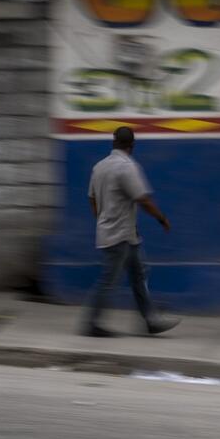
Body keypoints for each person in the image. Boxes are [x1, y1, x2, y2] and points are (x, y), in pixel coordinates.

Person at [80, 126, 179, 337]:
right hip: (120, 235)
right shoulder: (127, 167)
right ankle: (91, 324)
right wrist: (162, 218)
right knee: (109, 280)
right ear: (132, 146)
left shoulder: (99, 167)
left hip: (123, 234)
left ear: (114, 143)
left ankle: (151, 320)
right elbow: (142, 199)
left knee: (138, 274)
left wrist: (102, 219)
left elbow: (91, 198)